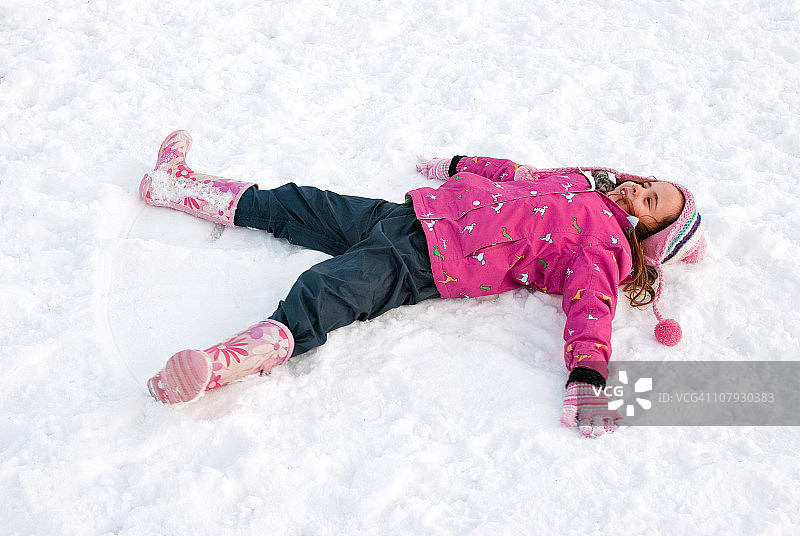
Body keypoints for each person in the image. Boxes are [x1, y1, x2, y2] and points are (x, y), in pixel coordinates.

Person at [140, 130, 706, 437]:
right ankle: (178, 187)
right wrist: (460, 164)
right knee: (297, 202)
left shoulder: (605, 246)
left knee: (325, 290)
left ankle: (217, 366)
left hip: (431, 259)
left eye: (651, 200)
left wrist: (589, 376)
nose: (640, 189)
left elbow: (593, 307)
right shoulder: (586, 183)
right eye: (649, 183)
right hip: (411, 214)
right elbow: (517, 175)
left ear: (650, 232)